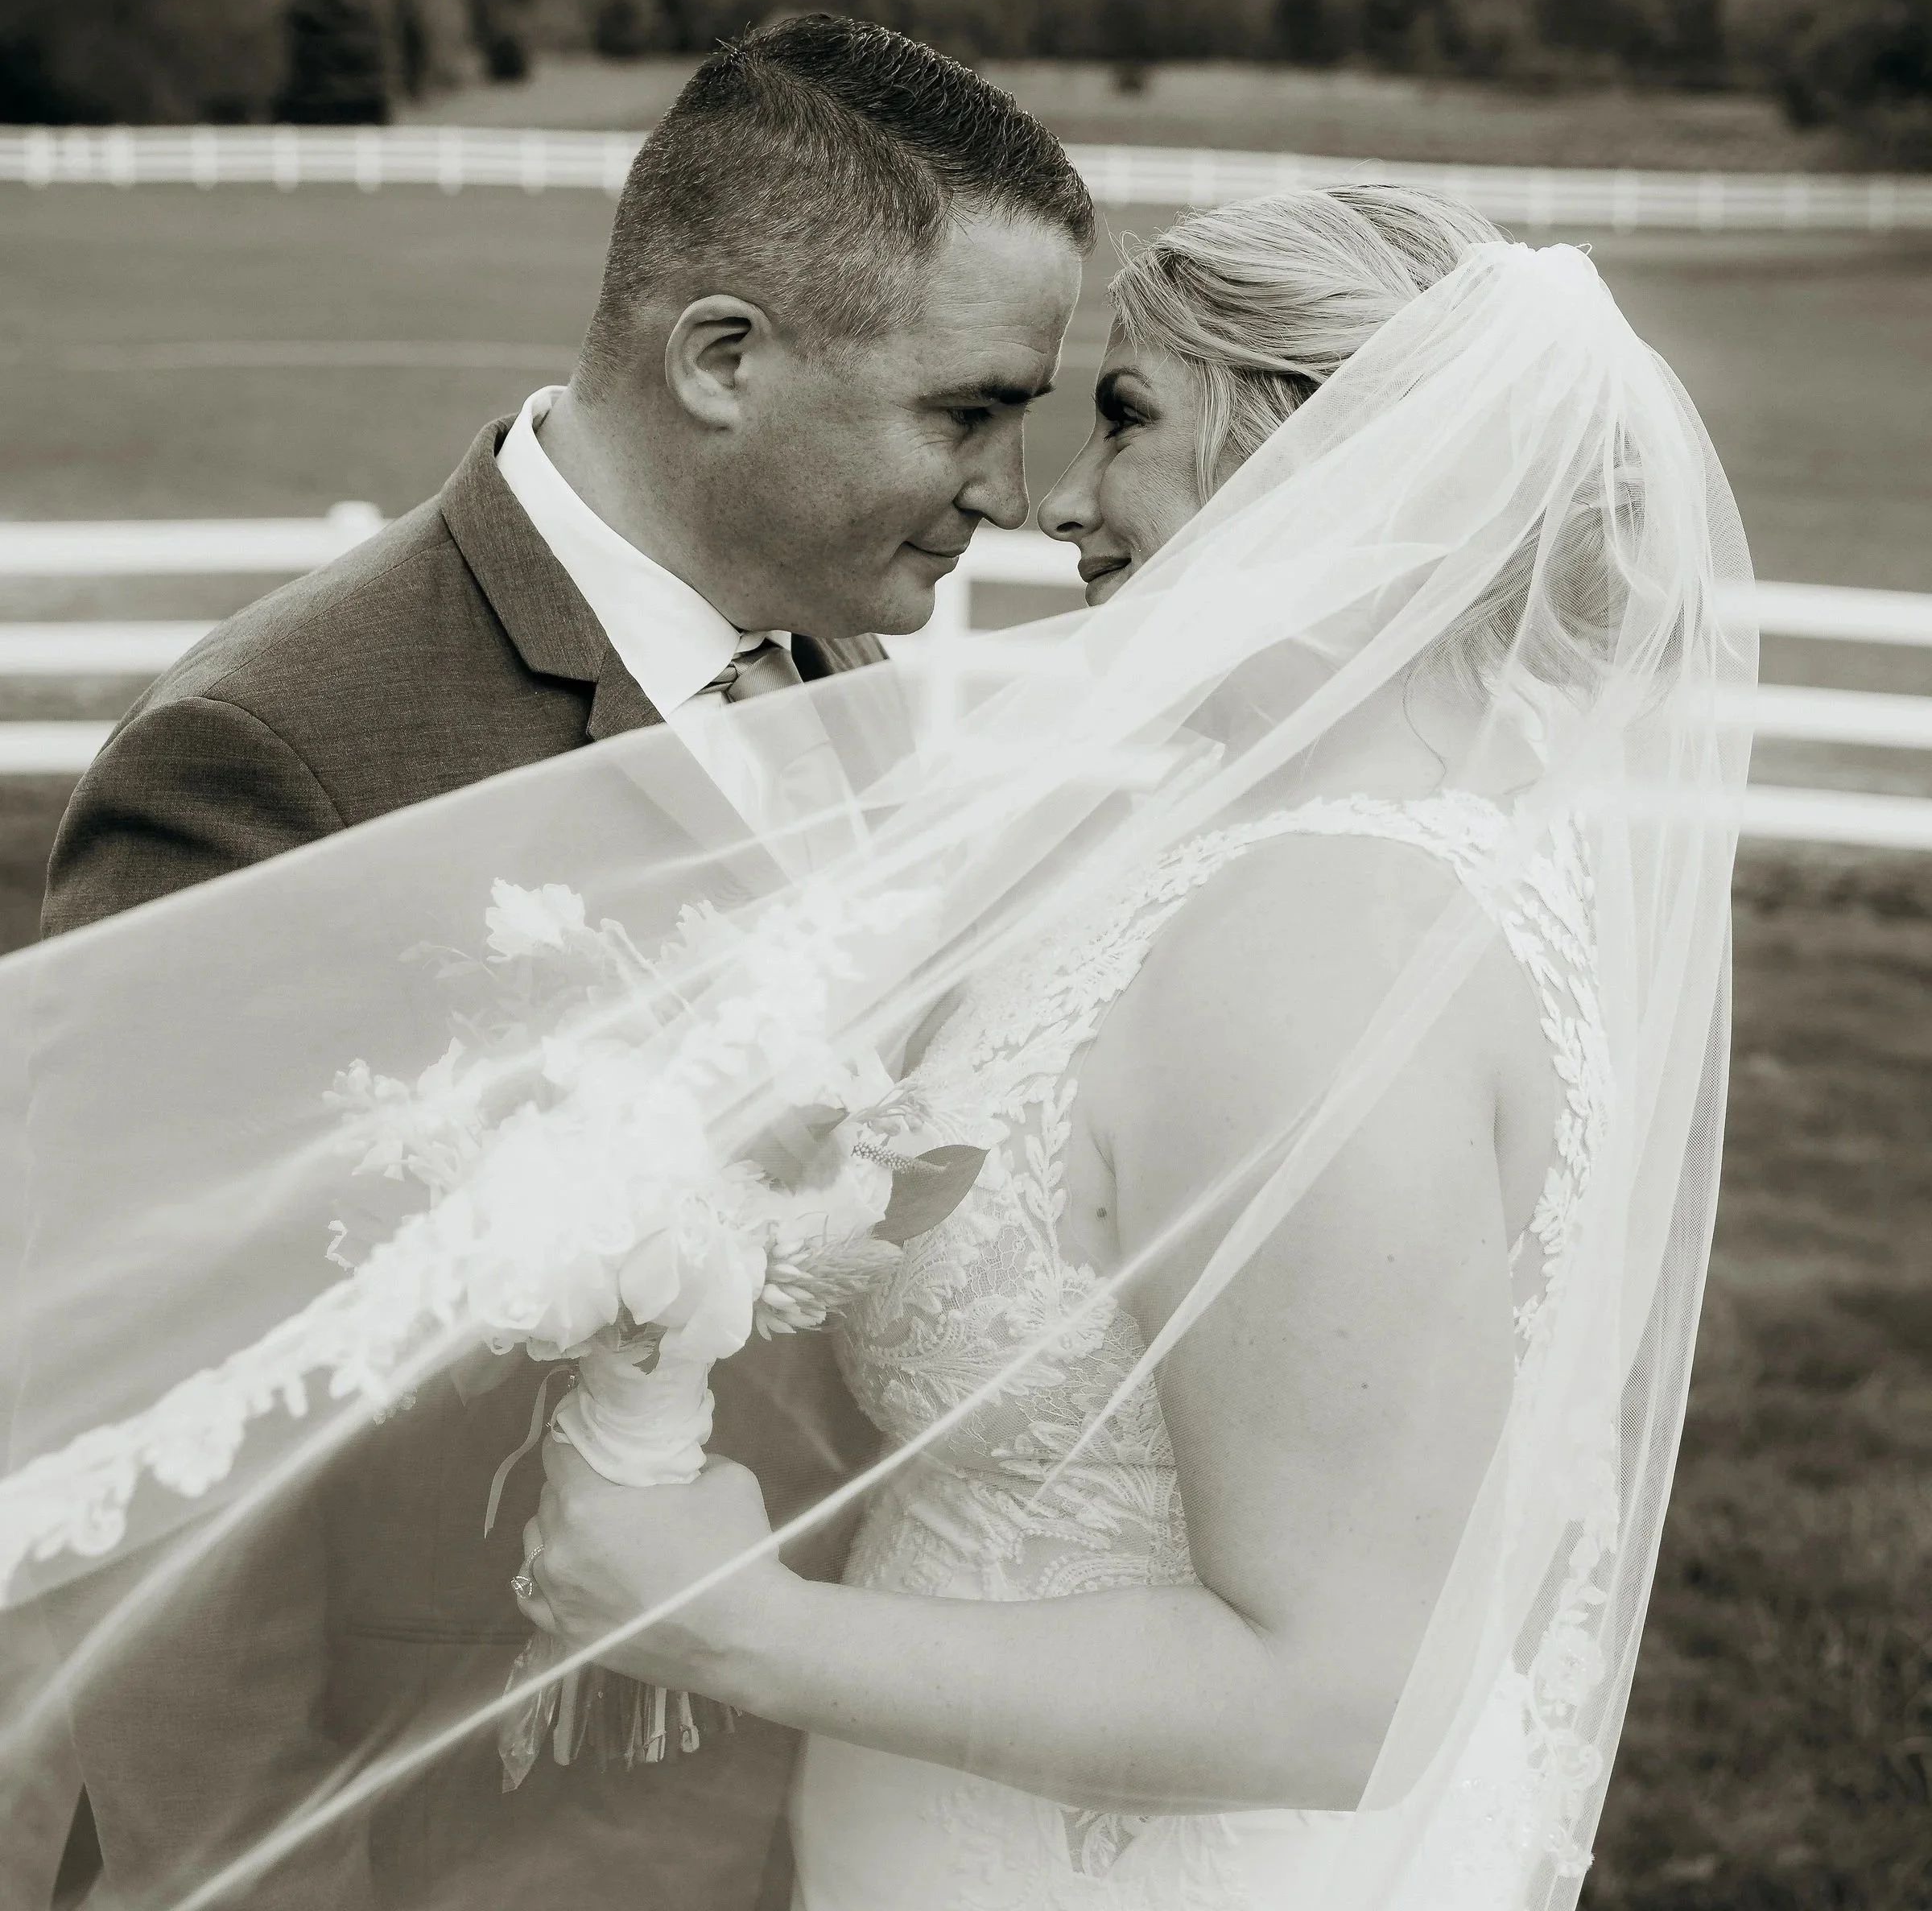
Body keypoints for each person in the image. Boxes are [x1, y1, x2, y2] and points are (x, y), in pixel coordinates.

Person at [516, 188, 1755, 1907]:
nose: (1065, 506)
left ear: (1333, 472)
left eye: (1128, 419)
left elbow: (1340, 1694)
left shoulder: (1324, 942)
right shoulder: (1232, 837)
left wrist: (734, 1629)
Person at [28, 15, 1089, 1911]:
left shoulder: (839, 676)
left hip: (792, 1796)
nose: (1006, 492)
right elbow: (146, 1467)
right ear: (723, 361)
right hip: (438, 1828)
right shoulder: (275, 755)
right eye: (968, 411)